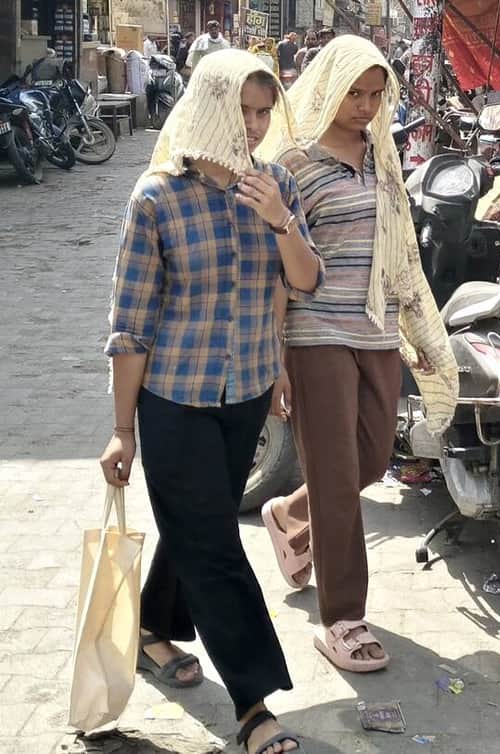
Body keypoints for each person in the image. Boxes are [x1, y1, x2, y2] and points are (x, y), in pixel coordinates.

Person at [100, 49, 323, 754]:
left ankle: (148, 627)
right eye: (242, 111)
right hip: (175, 400)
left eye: (263, 112)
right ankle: (253, 705)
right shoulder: (157, 199)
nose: (254, 126)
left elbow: (302, 282)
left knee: (199, 529)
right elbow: (131, 325)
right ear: (208, 107)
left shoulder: (276, 185)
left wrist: (282, 222)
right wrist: (122, 429)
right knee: (217, 546)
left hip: (246, 393)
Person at [258, 35, 458, 673]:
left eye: (376, 95)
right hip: (315, 332)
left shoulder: (384, 157)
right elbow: (276, 269)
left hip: (375, 329)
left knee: (371, 459)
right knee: (340, 476)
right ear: (328, 88)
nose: (366, 107)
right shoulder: (295, 163)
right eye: (355, 94)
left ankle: (290, 514)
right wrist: (275, 357)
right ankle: (343, 618)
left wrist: (416, 330)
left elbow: (399, 250)